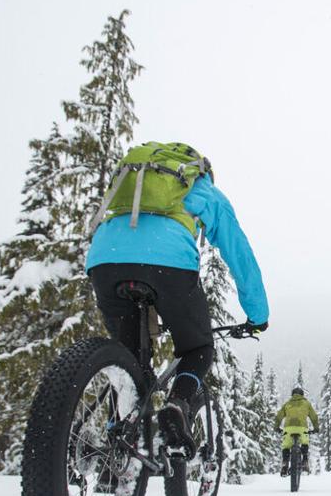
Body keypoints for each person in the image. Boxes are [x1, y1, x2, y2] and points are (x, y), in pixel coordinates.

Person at [86, 154, 268, 458]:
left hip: (105, 260)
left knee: (127, 361)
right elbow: (239, 253)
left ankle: (114, 459)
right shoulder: (203, 189)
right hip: (168, 266)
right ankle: (177, 405)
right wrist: (257, 315)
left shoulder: (132, 182)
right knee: (198, 348)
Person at [275, 386, 318, 475]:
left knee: (286, 446)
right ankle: (305, 462)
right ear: (302, 395)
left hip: (288, 428)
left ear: (292, 395)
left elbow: (279, 416)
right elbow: (314, 417)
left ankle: (285, 464)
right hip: (302, 428)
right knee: (305, 442)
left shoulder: (287, 404)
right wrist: (316, 428)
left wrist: (277, 427)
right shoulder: (306, 403)